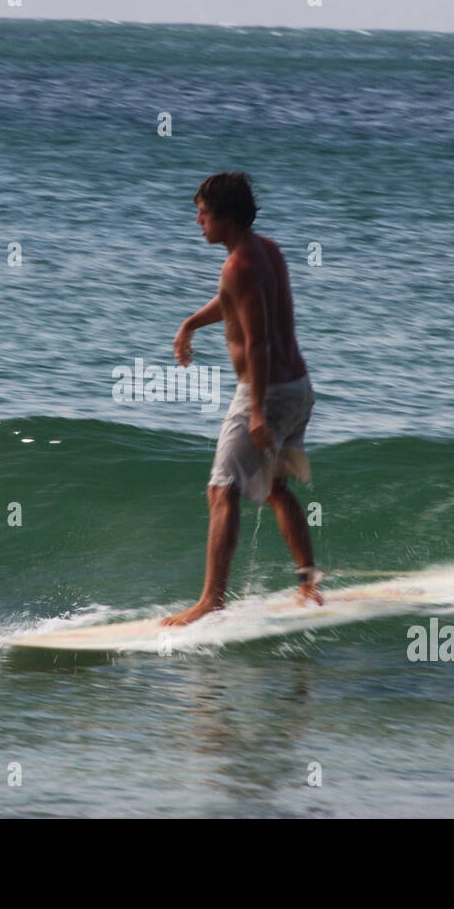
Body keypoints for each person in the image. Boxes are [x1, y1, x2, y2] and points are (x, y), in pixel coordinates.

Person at [162, 171, 323, 626]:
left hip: (266, 391)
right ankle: (309, 583)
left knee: (221, 490)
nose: (198, 222)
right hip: (298, 388)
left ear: (226, 217)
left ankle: (211, 600)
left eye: (203, 213)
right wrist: (190, 324)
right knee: (275, 489)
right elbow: (233, 303)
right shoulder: (265, 251)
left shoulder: (238, 264)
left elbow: (258, 344)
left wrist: (255, 413)